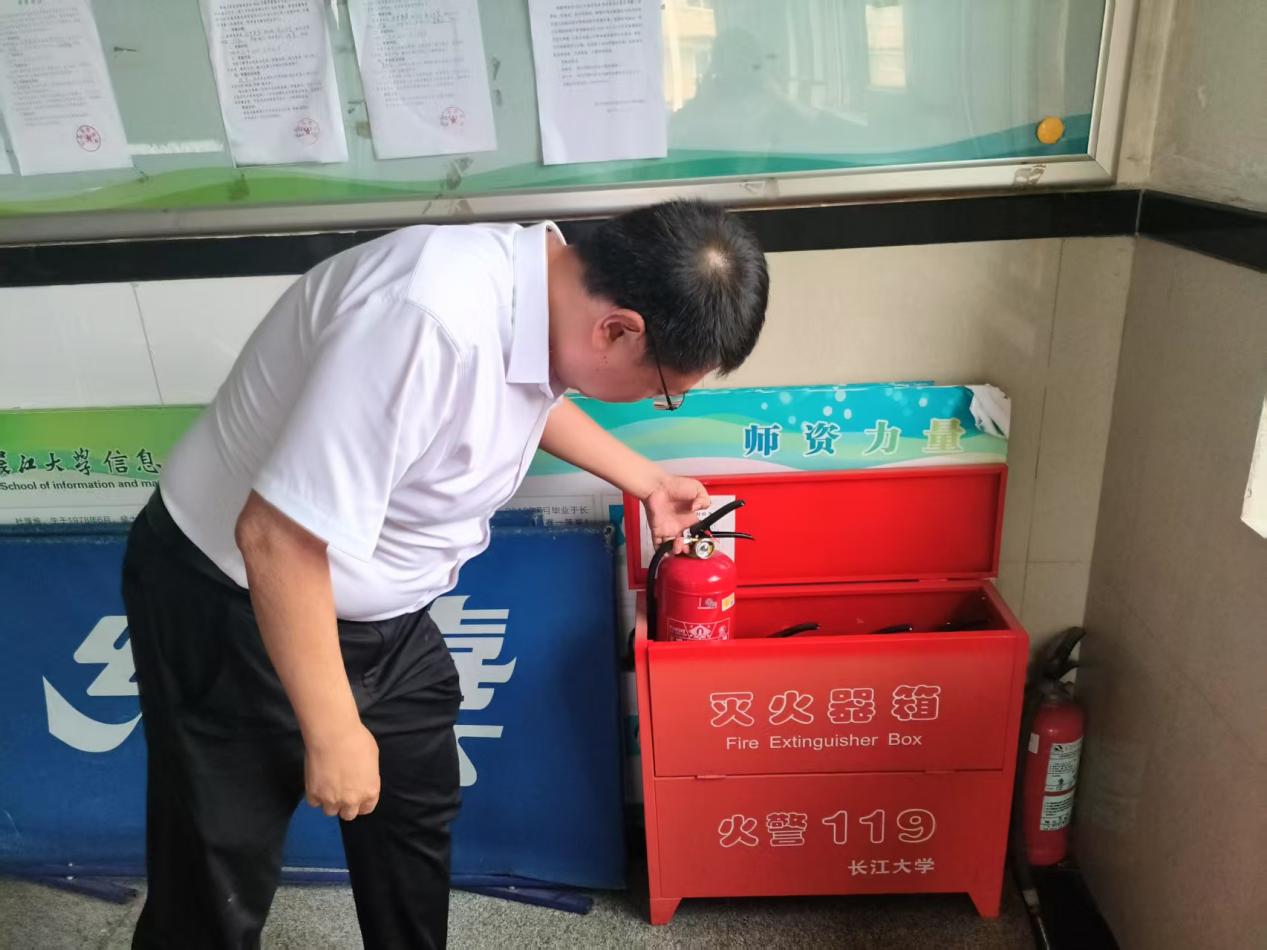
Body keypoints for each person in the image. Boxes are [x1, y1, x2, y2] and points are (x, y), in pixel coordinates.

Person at [121, 198, 769, 949]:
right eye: (666, 389)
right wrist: (332, 729)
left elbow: (518, 392)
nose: (663, 401)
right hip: (236, 598)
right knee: (215, 875)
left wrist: (646, 480)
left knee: (413, 817)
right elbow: (274, 539)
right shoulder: (424, 320)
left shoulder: (546, 292)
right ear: (617, 329)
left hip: (385, 615)